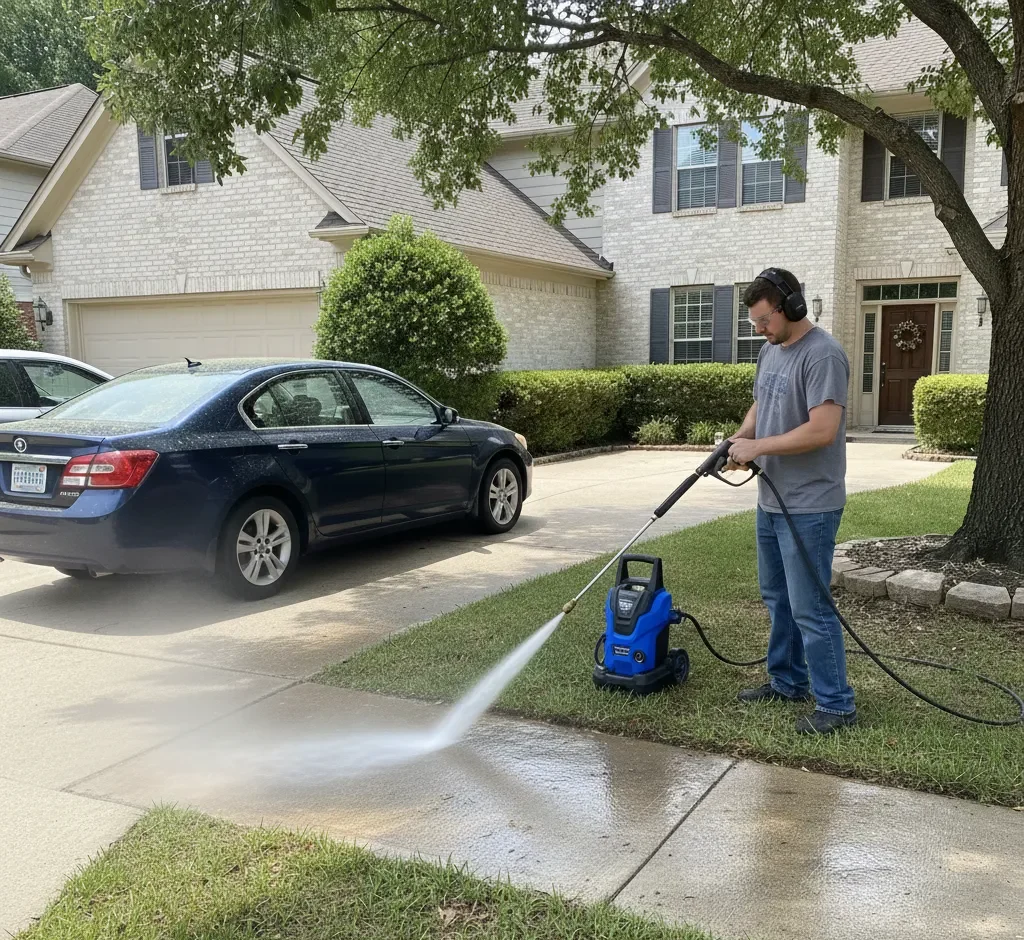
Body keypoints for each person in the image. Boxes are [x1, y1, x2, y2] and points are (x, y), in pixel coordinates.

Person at [725, 268, 856, 734]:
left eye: (764, 320)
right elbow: (762, 404)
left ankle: (837, 705)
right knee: (778, 598)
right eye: (755, 322)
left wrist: (758, 448)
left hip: (811, 506)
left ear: (791, 306)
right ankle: (787, 681)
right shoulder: (770, 351)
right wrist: (740, 438)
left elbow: (822, 430)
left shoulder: (824, 355)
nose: (759, 329)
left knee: (811, 608)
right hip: (772, 501)